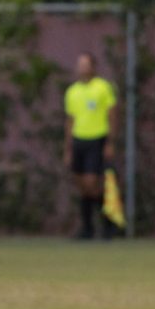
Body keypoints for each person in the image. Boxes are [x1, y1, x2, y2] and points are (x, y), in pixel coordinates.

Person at [63, 52, 118, 239]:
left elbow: (112, 115)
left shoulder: (103, 88)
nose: (82, 68)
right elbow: (70, 121)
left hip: (96, 139)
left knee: (92, 183)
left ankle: (108, 224)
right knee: (82, 186)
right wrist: (68, 148)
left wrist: (110, 142)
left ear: (93, 67)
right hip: (79, 141)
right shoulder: (72, 91)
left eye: (86, 64)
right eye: (80, 64)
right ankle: (87, 229)